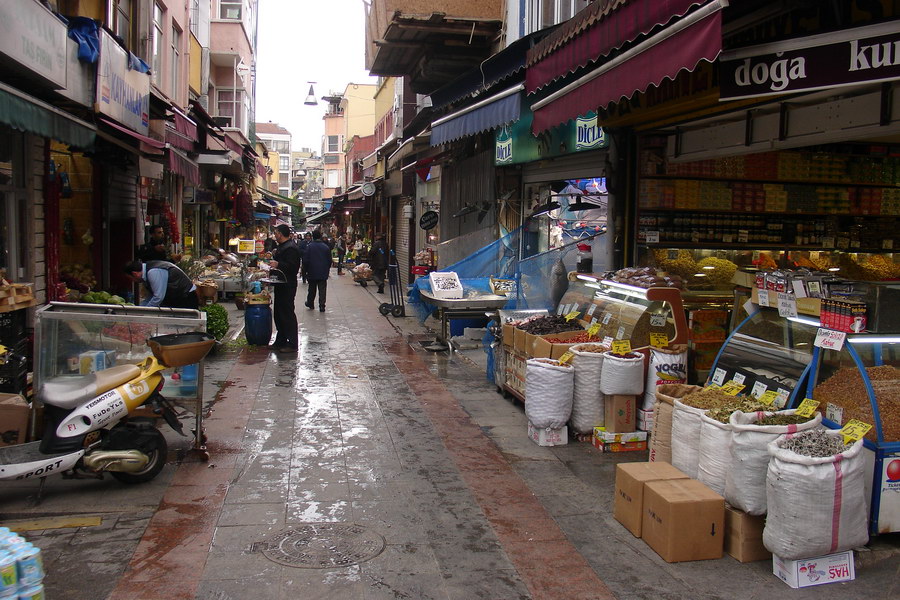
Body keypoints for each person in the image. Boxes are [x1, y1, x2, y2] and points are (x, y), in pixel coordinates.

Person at [268, 224, 301, 353]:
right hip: (280, 284)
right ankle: (280, 340)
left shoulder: (291, 248)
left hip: (288, 285)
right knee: (279, 313)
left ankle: (292, 343)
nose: (274, 235)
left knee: (287, 314)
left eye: (275, 232)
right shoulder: (282, 247)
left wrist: (278, 264)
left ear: (280, 234)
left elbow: (293, 268)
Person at [124, 259, 198, 309]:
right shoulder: (148, 272)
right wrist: (139, 309)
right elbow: (151, 297)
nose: (133, 281)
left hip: (185, 299)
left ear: (135, 274)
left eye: (131, 278)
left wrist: (144, 312)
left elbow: (158, 297)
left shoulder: (153, 272)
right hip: (179, 298)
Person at [303, 229, 332, 312]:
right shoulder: (325, 247)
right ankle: (322, 305)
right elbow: (329, 260)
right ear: (320, 236)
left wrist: (305, 270)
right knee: (322, 289)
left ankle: (310, 303)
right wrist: (327, 269)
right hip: (323, 272)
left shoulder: (309, 247)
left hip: (312, 271)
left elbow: (305, 260)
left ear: (312, 237)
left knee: (312, 289)